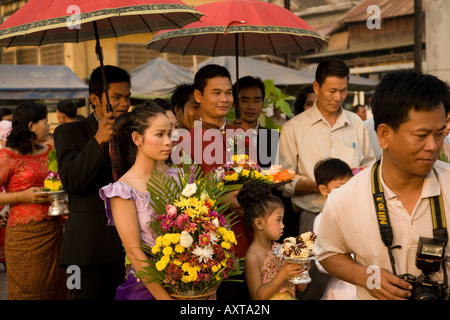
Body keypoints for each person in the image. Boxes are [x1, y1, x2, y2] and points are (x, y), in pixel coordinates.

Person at [314, 71, 450, 300]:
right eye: (421, 135)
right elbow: (327, 253)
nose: (432, 146)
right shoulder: (344, 199)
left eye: (439, 134)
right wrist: (365, 277)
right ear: (384, 135)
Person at [278, 58, 375, 299]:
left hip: (354, 219)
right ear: (317, 87)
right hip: (310, 220)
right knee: (310, 288)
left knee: (352, 287)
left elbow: (370, 167)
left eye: (343, 91)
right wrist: (317, 186)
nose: (338, 97)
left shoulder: (356, 123)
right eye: (332, 91)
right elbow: (282, 182)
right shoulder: (293, 128)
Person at [54, 65, 132, 300]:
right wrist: (98, 140)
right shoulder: (68, 132)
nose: (123, 103)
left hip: (126, 248)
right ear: (95, 99)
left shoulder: (131, 134)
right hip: (84, 253)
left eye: (127, 97)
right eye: (116, 97)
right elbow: (72, 182)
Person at [173, 64, 251, 299]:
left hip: (251, 238)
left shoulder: (243, 138)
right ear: (199, 96)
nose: (225, 99)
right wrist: (221, 199)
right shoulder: (185, 143)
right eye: (216, 93)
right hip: (211, 247)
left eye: (228, 93)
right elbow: (184, 197)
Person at [99, 103, 174, 300]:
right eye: (159, 134)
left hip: (188, 280)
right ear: (137, 138)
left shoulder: (178, 177)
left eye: (169, 133)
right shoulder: (123, 190)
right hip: (147, 287)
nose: (168, 141)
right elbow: (134, 253)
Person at [0, 102, 68, 300]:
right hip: (23, 238)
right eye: (45, 122)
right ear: (31, 126)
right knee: (27, 291)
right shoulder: (8, 156)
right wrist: (21, 196)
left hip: (53, 232)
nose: (48, 127)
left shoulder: (49, 151)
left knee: (57, 289)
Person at [238, 181, 307, 300]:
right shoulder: (253, 256)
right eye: (278, 220)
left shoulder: (282, 249)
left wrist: (302, 269)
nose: (282, 226)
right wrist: (282, 275)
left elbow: (301, 287)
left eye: (282, 220)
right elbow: (257, 297)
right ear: (259, 223)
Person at [311, 158, 356, 300]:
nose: (346, 192)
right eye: (340, 187)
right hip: (342, 289)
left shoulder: (359, 212)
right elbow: (321, 261)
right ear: (324, 190)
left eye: (350, 186)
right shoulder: (321, 221)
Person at [232, 76, 278, 169]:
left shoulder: (275, 138)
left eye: (257, 101)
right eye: (245, 101)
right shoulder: (223, 137)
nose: (251, 107)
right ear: (234, 104)